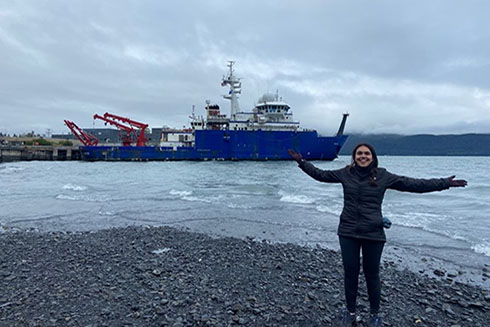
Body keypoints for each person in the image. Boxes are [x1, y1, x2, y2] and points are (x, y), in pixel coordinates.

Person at [288, 144, 467, 327]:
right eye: (359, 153)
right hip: (348, 231)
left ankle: (375, 315)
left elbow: (413, 184)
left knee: (371, 274)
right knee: (350, 274)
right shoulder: (345, 173)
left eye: (366, 153)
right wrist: (302, 163)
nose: (363, 156)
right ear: (354, 157)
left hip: (373, 233)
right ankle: (350, 312)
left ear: (372, 157)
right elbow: (322, 175)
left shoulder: (383, 176)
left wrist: (444, 183)